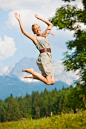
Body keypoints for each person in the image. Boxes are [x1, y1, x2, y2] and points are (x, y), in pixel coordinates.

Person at [15, 13, 55, 85]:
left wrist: (40, 18)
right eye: (35, 29)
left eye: (38, 27)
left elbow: (50, 25)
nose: (38, 29)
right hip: (44, 57)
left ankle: (34, 76)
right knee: (49, 82)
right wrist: (19, 20)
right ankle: (32, 72)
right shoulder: (35, 38)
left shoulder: (45, 35)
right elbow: (24, 32)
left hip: (49, 57)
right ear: (34, 32)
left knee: (53, 82)